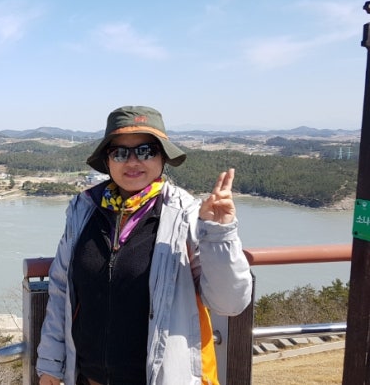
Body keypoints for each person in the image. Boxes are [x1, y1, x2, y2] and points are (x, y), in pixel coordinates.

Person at [36, 106, 253, 385]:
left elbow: (229, 303)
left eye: (146, 151)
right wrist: (51, 365)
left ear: (162, 157)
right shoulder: (84, 210)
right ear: (107, 160)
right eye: (120, 152)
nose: (133, 161)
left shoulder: (186, 215)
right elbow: (61, 291)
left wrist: (219, 233)